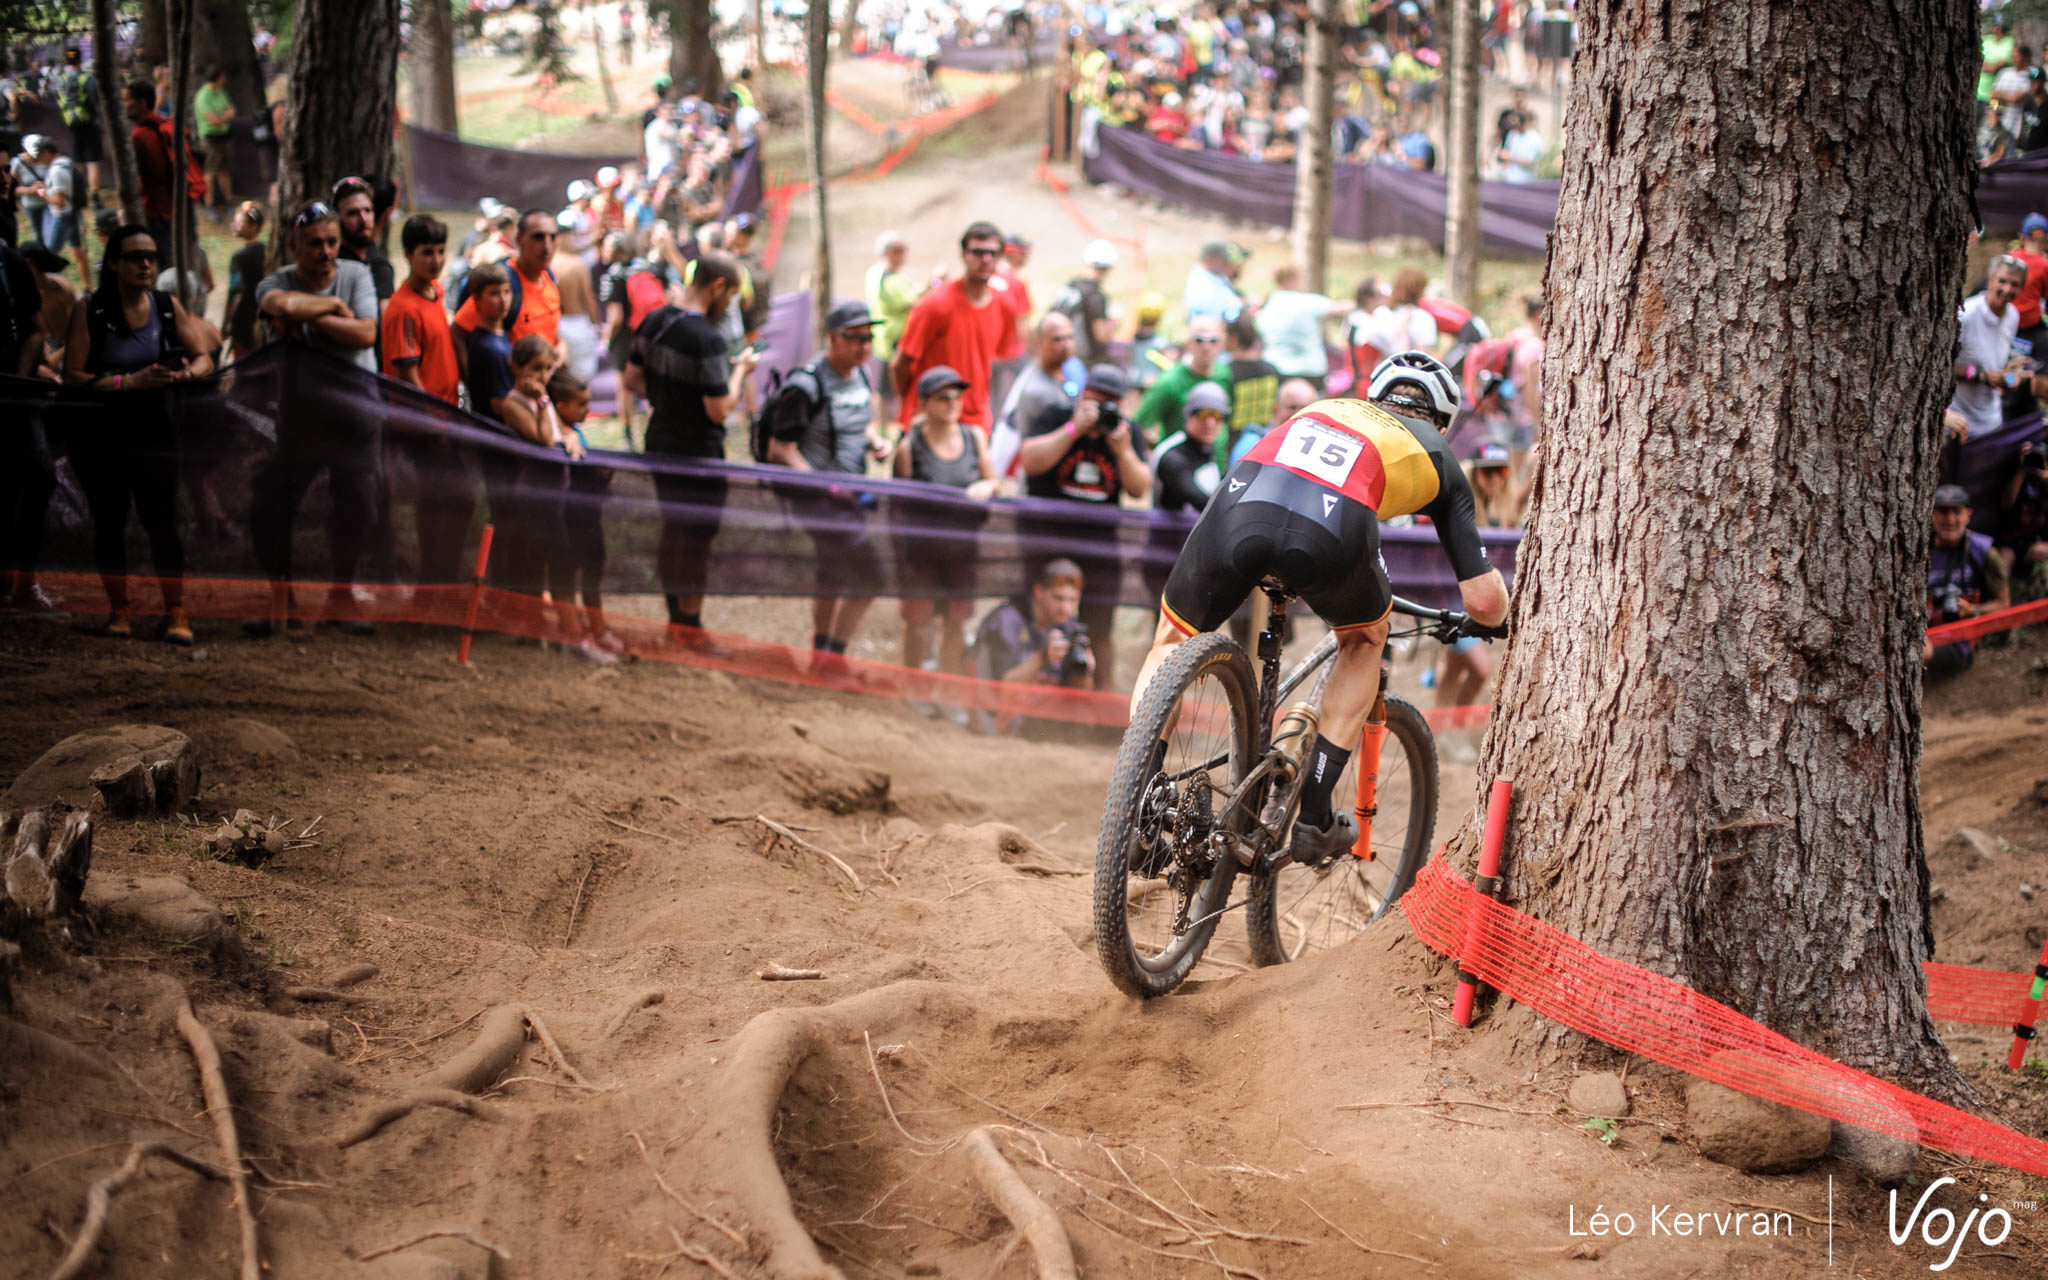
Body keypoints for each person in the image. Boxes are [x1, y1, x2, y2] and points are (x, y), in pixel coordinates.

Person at [1134, 350, 1509, 867]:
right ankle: (1314, 816)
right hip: (1332, 528)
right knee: (1363, 639)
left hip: (1241, 504)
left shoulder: (1325, 407)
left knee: (1173, 638)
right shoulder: (1437, 452)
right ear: (1441, 422)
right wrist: (1500, 618)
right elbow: (1483, 602)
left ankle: (1140, 804)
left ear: (1374, 397)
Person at [61, 225, 214, 643]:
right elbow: (72, 374)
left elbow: (203, 357)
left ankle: (176, 613)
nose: (145, 264)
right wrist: (125, 383)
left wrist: (183, 375)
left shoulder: (165, 306)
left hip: (156, 431)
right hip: (101, 435)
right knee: (110, 521)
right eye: (134, 257)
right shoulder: (90, 309)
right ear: (113, 263)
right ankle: (120, 612)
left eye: (151, 256)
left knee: (162, 522)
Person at [248, 202, 380, 636]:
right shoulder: (276, 279)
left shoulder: (357, 275)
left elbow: (365, 333)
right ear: (294, 245)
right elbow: (277, 303)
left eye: (331, 242)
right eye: (314, 244)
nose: (325, 252)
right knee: (270, 503)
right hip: (300, 417)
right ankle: (280, 599)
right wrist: (334, 309)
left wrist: (305, 314)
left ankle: (340, 599)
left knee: (356, 507)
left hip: (356, 414)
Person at [620, 251, 758, 640]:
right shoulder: (708, 339)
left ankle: (674, 621)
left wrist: (668, 397)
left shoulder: (655, 320)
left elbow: (631, 379)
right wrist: (741, 372)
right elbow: (719, 410)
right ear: (718, 287)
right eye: (730, 296)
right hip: (699, 452)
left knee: (673, 528)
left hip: (660, 439)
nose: (729, 304)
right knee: (697, 538)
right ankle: (689, 627)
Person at [763, 300, 888, 660]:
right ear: (833, 338)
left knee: (833, 574)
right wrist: (828, 486)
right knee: (871, 575)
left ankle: (825, 655)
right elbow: (780, 450)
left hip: (853, 497)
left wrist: (874, 442)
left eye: (869, 338)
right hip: (821, 503)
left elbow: (858, 423)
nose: (864, 346)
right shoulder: (806, 385)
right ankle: (831, 655)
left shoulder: (860, 374)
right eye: (856, 338)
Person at [1018, 363, 1151, 688]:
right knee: (1036, 621)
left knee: (1099, 630)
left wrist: (1123, 452)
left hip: (1100, 550)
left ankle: (1099, 702)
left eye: (1110, 401)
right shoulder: (1056, 415)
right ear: (1081, 395)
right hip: (1046, 541)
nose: (1102, 408)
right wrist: (1073, 429)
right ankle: (1025, 696)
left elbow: (1140, 488)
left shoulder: (1125, 431)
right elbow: (1029, 461)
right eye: (1095, 398)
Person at [894, 364, 999, 693]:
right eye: (943, 398)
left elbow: (994, 480)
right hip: (921, 553)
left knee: (956, 622)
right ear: (924, 403)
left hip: (964, 550)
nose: (953, 403)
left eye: (957, 396)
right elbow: (897, 506)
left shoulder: (974, 437)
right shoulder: (909, 447)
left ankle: (948, 691)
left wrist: (987, 486)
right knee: (919, 622)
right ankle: (914, 688)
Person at [891, 221, 1022, 430]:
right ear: (963, 254)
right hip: (931, 424)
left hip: (975, 421)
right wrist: (913, 404)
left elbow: (997, 359)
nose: (986, 259)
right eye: (978, 252)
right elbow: (899, 364)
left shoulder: (1004, 305)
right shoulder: (936, 305)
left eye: (992, 253)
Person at [972, 558, 1096, 733]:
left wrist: (1086, 671)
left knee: (1085, 716)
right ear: (1038, 592)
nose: (1065, 608)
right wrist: (1042, 658)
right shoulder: (1007, 620)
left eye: (1073, 600)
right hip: (993, 713)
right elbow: (1003, 688)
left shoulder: (1069, 626)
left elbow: (1082, 697)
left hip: (1037, 717)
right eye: (1058, 598)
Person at [1925, 484, 2010, 679]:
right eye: (1943, 512)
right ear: (1931, 515)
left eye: (1957, 512)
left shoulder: (1983, 552)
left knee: (1918, 651)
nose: (1950, 519)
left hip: (1960, 640)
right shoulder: (1916, 549)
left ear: (1968, 515)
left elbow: (2004, 605)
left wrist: (1972, 610)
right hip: (1923, 631)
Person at [1950, 256, 2029, 456]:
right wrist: (1978, 375)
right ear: (1990, 279)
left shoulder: (2013, 315)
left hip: (1991, 422)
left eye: (2015, 284)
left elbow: (1999, 368)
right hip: (1957, 423)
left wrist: (2011, 377)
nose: (2007, 289)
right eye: (2002, 281)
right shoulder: (1965, 315)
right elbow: (1939, 367)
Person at [1133, 314, 1232, 443]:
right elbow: (1139, 424)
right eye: (1199, 340)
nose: (1206, 347)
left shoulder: (1224, 374)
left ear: (1222, 343)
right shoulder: (1170, 382)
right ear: (1189, 344)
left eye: (1213, 341)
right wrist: (1161, 449)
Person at [1152, 381, 1228, 513]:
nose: (1210, 423)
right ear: (1189, 415)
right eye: (1204, 414)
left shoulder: (1206, 449)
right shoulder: (1171, 455)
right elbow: (1201, 502)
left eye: (1217, 416)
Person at [1254, 262, 1334, 390]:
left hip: (1275, 368)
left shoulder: (1266, 303)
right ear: (1292, 279)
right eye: (1303, 277)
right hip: (1310, 370)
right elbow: (1339, 309)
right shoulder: (1308, 301)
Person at [1054, 239, 1118, 367]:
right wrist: (1114, 323)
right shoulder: (1096, 296)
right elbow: (1102, 336)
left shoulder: (1072, 285)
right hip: (1085, 362)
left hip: (1061, 356)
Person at [219, 202, 268, 362]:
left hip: (243, 323)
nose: (234, 225)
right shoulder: (267, 251)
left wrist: (226, 324)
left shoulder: (239, 257)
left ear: (253, 227)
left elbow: (236, 294)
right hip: (264, 319)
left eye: (239, 222)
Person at [1997, 439, 2048, 589]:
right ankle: (2001, 599)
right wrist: (2022, 469)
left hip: (2040, 541)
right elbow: (2006, 504)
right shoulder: (2017, 476)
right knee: (2002, 562)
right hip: (2012, 541)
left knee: (2039, 551)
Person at [54, 48, 102, 199]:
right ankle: (94, 197)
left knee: (77, 160)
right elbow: (96, 98)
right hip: (89, 123)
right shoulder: (88, 78)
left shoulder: (61, 79)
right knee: (92, 161)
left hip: (71, 124)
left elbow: (58, 98)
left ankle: (77, 194)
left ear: (65, 61)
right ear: (80, 60)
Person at [193, 65, 234, 214]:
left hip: (224, 137)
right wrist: (224, 117)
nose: (225, 79)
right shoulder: (203, 96)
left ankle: (228, 201)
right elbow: (212, 120)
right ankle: (209, 204)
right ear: (217, 78)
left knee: (224, 170)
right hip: (210, 139)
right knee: (210, 171)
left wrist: (221, 118)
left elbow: (232, 110)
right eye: (223, 77)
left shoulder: (221, 92)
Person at [1183, 240, 1244, 323]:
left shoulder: (1215, 275)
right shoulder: (1200, 282)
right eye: (1223, 260)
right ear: (1211, 259)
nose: (1226, 263)